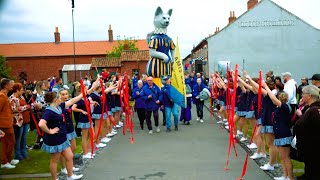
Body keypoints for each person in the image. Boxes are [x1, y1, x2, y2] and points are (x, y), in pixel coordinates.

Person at [39, 91, 84, 180]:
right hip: (54, 139)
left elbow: (71, 101)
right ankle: (54, 179)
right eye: (59, 97)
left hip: (62, 137)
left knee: (69, 156)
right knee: (54, 160)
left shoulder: (59, 106)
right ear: (56, 100)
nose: (61, 99)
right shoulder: (48, 111)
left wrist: (82, 94)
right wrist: (49, 131)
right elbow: (41, 124)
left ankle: (70, 176)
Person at [264, 82, 294, 180]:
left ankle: (290, 177)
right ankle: (285, 175)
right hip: (279, 134)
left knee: (285, 157)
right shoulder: (280, 107)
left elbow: (272, 98)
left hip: (284, 134)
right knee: (282, 157)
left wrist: (265, 86)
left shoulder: (284, 106)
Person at [295, 85, 320, 179]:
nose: (301, 96)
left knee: (314, 168)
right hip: (307, 146)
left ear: (309, 96)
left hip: (313, 146)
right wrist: (301, 106)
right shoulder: (309, 108)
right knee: (309, 166)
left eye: (303, 94)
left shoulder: (315, 110)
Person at [9, 83, 31, 161]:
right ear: (17, 90)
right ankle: (17, 154)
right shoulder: (12, 98)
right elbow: (14, 109)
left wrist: (25, 107)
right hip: (18, 121)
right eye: (21, 90)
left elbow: (21, 107)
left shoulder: (21, 97)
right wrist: (26, 107)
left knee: (24, 138)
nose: (23, 91)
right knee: (18, 138)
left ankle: (23, 152)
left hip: (25, 120)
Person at [0, 78, 18, 169]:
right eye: (10, 84)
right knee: (7, 143)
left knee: (11, 142)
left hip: (8, 123)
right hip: (4, 124)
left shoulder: (5, 95)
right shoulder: (2, 96)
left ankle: (8, 159)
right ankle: (4, 161)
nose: (12, 85)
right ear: (6, 85)